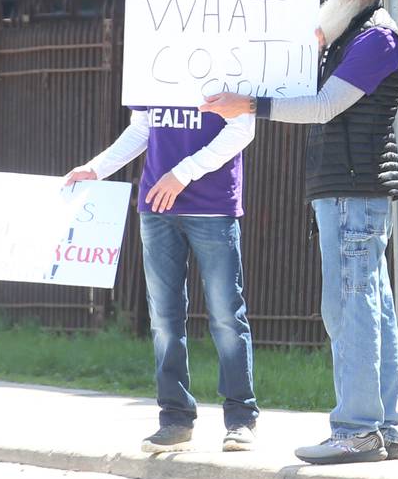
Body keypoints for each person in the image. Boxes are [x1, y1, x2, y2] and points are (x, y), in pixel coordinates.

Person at [200, 0, 398, 465]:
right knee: (372, 307)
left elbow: (322, 107)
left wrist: (249, 104)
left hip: (353, 191)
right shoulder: (345, 36)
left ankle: (357, 430)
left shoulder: (378, 38)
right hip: (346, 190)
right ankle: (383, 427)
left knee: (349, 306)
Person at [64, 102, 259, 453]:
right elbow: (141, 129)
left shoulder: (228, 55)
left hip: (213, 208)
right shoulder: (152, 59)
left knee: (227, 316)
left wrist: (184, 173)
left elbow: (242, 128)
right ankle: (175, 420)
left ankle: (241, 419)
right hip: (156, 208)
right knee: (165, 320)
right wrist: (96, 169)